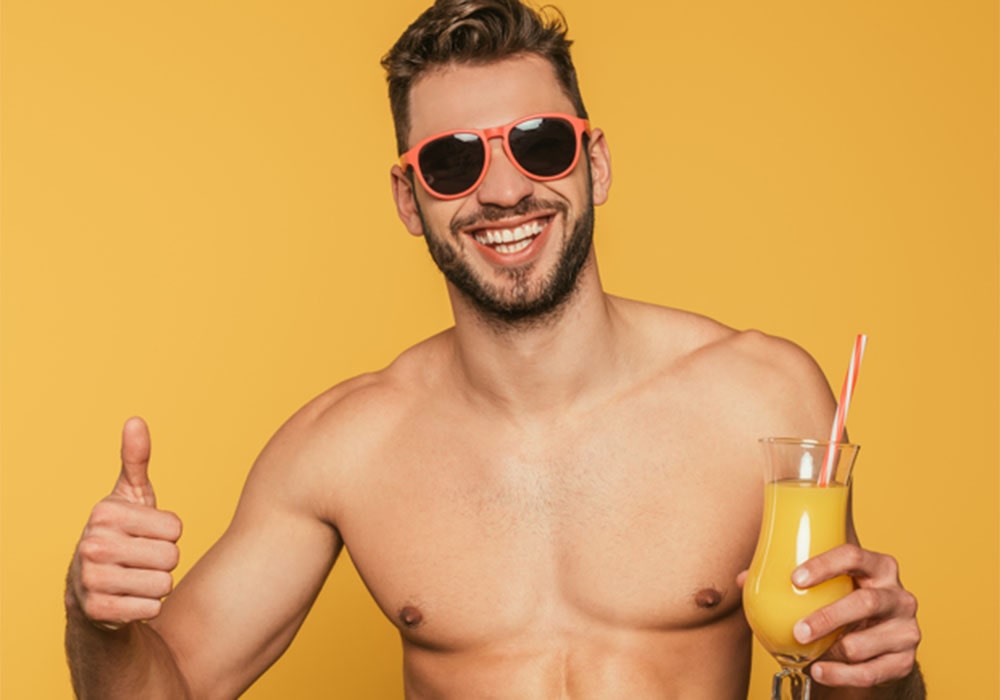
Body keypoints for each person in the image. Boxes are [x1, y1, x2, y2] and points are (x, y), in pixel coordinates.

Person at [64, 1, 924, 697]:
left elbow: (843, 671)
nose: (506, 188)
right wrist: (95, 619)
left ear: (596, 164)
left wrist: (885, 669)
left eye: (541, 143)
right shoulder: (341, 449)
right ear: (409, 199)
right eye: (451, 162)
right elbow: (159, 692)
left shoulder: (760, 399)